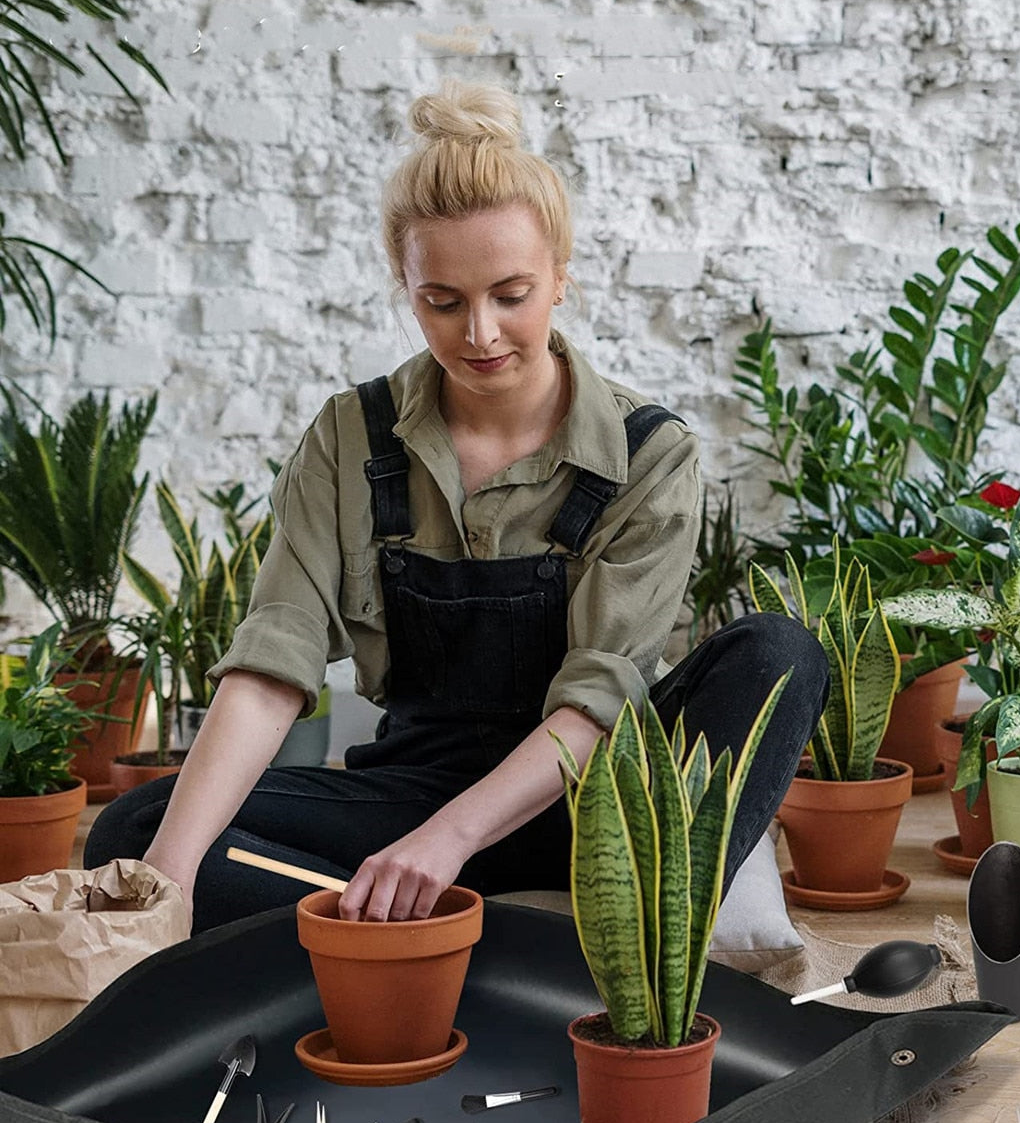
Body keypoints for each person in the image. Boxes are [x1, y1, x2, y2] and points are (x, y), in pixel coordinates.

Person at [85, 80, 829, 933]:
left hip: (599, 802)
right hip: (410, 792)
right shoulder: (350, 437)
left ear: (560, 278)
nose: (479, 334)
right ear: (405, 285)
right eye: (442, 301)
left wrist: (448, 842)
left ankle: (448, 937)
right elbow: (270, 668)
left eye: (511, 295)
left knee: (781, 652)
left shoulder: (647, 454)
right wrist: (167, 881)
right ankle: (496, 951)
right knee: (138, 832)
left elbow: (599, 700)